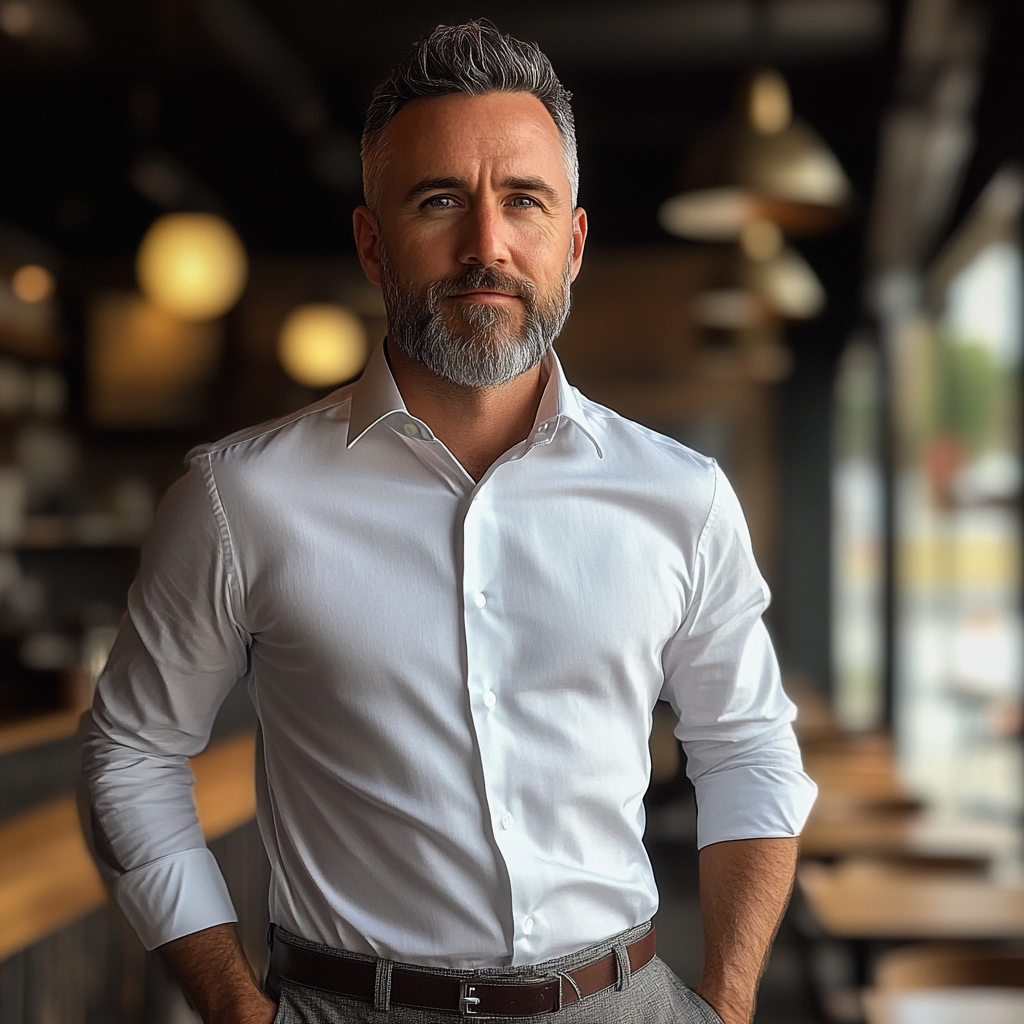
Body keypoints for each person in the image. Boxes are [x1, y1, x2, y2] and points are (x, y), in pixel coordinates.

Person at [81, 20, 816, 1024]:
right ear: (371, 242)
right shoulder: (236, 498)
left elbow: (749, 751)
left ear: (573, 240)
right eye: (439, 202)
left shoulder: (680, 497)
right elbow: (130, 753)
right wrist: (232, 1006)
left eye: (524, 200)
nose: (487, 245)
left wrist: (726, 1008)